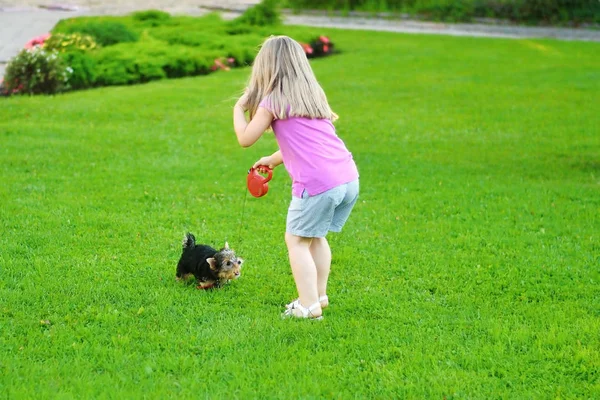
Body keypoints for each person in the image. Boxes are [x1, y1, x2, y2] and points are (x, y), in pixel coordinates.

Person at [233, 35, 359, 320]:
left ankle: (308, 306)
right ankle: (319, 296)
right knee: (315, 236)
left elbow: (245, 138)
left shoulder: (272, 101)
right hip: (347, 177)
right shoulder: (312, 96)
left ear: (265, 68)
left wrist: (238, 109)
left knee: (297, 240)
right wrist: (273, 159)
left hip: (318, 184)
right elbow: (305, 141)